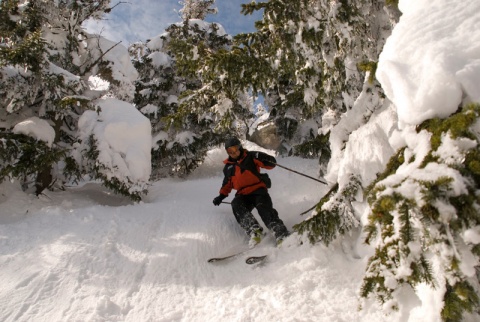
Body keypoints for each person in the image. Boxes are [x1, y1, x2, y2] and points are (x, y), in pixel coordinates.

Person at [213, 137, 290, 247]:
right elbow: (227, 184)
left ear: (240, 147)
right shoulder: (228, 167)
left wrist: (263, 157)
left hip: (258, 190)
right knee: (236, 204)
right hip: (243, 195)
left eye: (235, 149)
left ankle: (280, 232)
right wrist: (221, 196)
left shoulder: (251, 157)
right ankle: (254, 231)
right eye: (230, 151)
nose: (233, 153)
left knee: (264, 208)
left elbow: (271, 164)